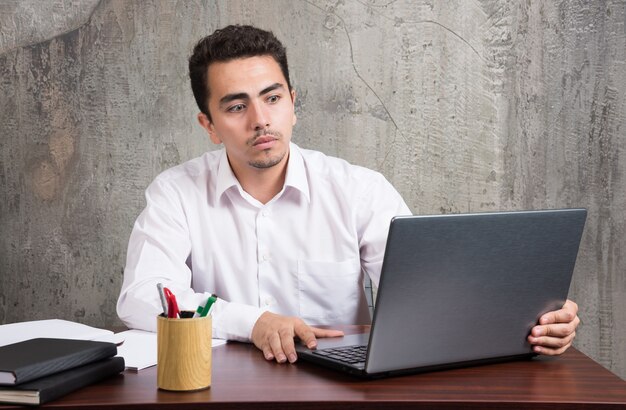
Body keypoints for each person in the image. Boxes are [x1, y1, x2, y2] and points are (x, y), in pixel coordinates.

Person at [117, 24, 580, 364]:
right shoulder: (176, 192)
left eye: (272, 98)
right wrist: (253, 321)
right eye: (236, 106)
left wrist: (533, 320)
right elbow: (140, 295)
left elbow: (431, 296)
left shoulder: (359, 190)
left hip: (338, 388)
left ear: (293, 104)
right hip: (216, 386)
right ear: (209, 126)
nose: (260, 119)